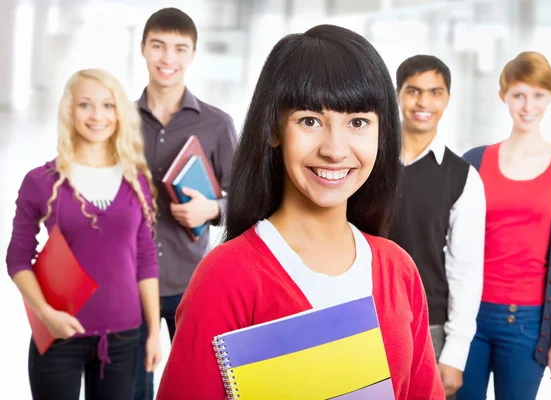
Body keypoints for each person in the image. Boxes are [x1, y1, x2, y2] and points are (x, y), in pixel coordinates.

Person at [156, 24, 445, 400]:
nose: (335, 149)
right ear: (275, 128)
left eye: (358, 122)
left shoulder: (398, 270)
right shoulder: (226, 277)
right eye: (310, 120)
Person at [5, 68, 161, 400]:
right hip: (58, 332)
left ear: (120, 113)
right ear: (69, 111)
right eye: (85, 105)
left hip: (123, 337)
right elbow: (17, 259)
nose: (97, 116)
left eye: (108, 105)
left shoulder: (137, 181)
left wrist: (153, 333)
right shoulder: (41, 181)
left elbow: (146, 260)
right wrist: (47, 316)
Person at [457, 51, 551, 400]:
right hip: (469, 319)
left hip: (528, 324)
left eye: (538, 95)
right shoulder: (474, 161)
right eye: (518, 94)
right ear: (504, 96)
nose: (528, 105)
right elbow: (452, 245)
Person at [134, 7, 237, 399]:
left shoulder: (217, 124)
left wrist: (212, 209)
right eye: (158, 46)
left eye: (180, 48)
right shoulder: (119, 122)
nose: (167, 58)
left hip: (191, 282)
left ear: (193, 55)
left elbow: (245, 198)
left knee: (195, 387)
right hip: (129, 281)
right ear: (143, 48)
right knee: (131, 388)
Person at [388, 55, 486, 399]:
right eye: (414, 91)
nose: (424, 102)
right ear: (397, 94)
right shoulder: (366, 161)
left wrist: (455, 354)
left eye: (435, 92)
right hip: (363, 318)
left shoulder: (462, 177)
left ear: (447, 98)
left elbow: (466, 269)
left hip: (430, 326)